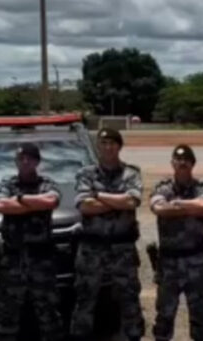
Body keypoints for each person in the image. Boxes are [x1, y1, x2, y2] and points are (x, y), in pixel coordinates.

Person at [70, 128, 145, 341]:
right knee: (86, 299)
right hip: (91, 249)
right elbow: (84, 206)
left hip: (123, 248)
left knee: (129, 298)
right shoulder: (85, 173)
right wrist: (117, 202)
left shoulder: (131, 173)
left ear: (119, 146)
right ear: (98, 147)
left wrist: (99, 195)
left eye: (113, 143)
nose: (108, 147)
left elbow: (132, 201)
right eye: (104, 143)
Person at [0, 143, 64, 341]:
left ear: (37, 161)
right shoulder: (7, 182)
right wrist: (34, 204)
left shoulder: (47, 183)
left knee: (49, 315)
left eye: (29, 158)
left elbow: (51, 202)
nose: (25, 162)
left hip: (41, 260)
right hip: (12, 260)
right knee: (7, 315)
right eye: (21, 158)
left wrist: (19, 199)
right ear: (15, 162)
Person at [150, 145, 203, 341]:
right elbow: (158, 208)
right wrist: (190, 207)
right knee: (164, 317)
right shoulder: (162, 187)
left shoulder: (202, 186)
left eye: (187, 160)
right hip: (169, 263)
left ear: (192, 164)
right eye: (178, 160)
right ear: (172, 163)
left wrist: (176, 204)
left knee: (199, 318)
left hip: (196, 261)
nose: (182, 163)